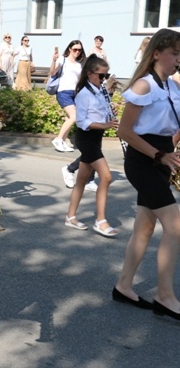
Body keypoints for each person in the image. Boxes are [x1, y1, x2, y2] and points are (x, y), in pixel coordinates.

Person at [114, 28, 180, 319]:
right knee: (176, 226)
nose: (179, 59)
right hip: (143, 160)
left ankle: (123, 286)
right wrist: (160, 155)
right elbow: (124, 131)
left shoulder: (172, 87)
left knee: (144, 227)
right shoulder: (143, 86)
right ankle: (165, 296)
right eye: (175, 53)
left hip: (162, 157)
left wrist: (172, 154)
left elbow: (170, 129)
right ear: (157, 54)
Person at [63, 55, 119, 236]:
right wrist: (105, 125)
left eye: (106, 75)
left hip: (96, 138)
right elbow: (81, 121)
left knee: (80, 180)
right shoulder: (84, 94)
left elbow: (101, 114)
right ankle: (100, 221)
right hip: (86, 138)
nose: (103, 79)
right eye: (100, 76)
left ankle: (70, 217)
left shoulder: (99, 92)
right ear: (89, 74)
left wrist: (110, 113)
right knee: (107, 176)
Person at [51, 40, 87, 152]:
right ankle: (58, 139)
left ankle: (63, 141)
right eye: (75, 49)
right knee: (74, 117)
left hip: (74, 93)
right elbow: (52, 73)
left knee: (69, 117)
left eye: (79, 50)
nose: (77, 52)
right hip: (63, 92)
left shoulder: (79, 64)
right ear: (70, 49)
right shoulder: (63, 59)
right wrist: (54, 60)